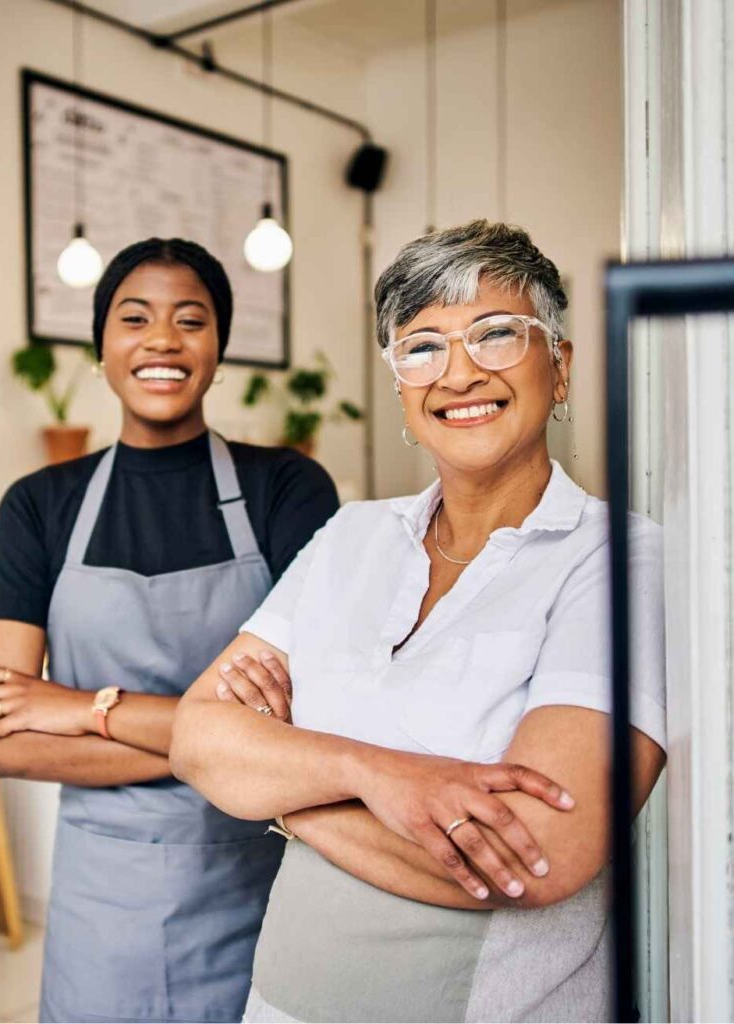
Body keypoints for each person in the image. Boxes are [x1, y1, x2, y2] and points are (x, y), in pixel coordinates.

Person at [169, 220, 666, 1023]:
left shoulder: (620, 561)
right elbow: (197, 738)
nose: (459, 373)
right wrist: (381, 775)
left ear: (560, 367)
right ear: (401, 386)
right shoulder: (351, 537)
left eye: (497, 335)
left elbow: (535, 856)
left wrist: (284, 791)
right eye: (422, 346)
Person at [0, 238, 339, 1024]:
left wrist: (78, 708)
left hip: (259, 883)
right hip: (104, 908)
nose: (162, 339)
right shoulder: (39, 505)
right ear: (101, 346)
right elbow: (4, 740)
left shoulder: (287, 489)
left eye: (190, 320)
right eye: (134, 318)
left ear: (219, 349)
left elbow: (308, 719)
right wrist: (228, 745)